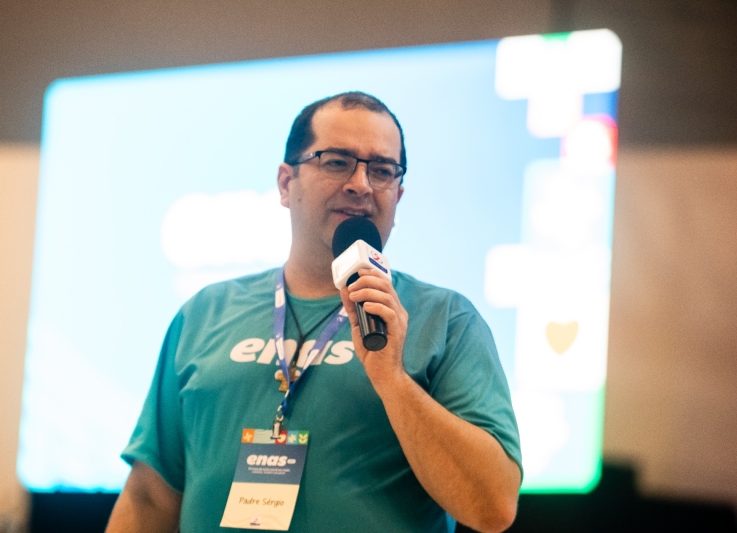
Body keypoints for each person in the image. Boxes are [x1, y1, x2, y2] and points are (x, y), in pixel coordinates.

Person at [106, 92, 522, 533]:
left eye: (382, 171)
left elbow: (492, 508)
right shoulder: (204, 314)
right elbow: (150, 497)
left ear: (398, 196)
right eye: (337, 162)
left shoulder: (446, 321)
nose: (361, 184)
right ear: (286, 183)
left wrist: (393, 381)